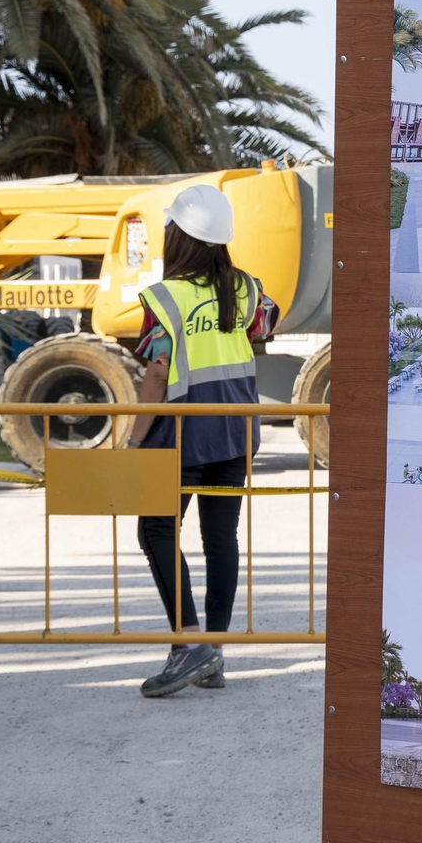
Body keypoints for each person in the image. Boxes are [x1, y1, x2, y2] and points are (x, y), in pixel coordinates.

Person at [131, 185, 279, 698]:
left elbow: (156, 371)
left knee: (155, 532)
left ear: (181, 237)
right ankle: (212, 652)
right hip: (236, 433)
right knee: (221, 539)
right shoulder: (247, 288)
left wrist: (134, 438)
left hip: (182, 437)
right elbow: (268, 320)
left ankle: (190, 642)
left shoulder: (165, 297)